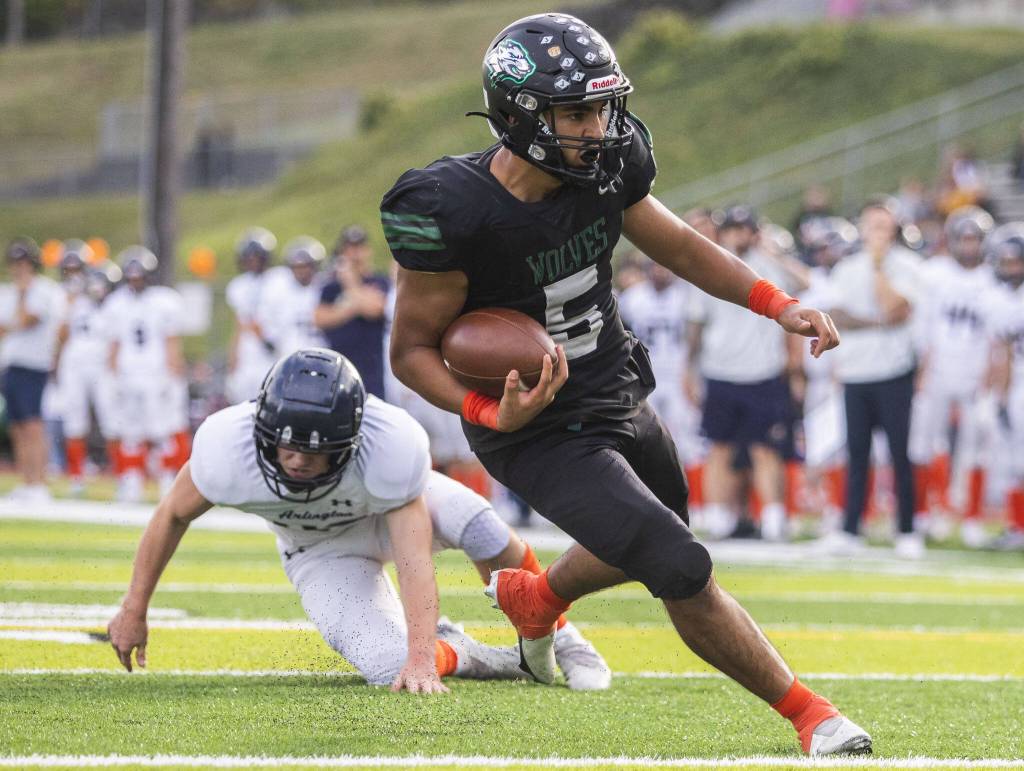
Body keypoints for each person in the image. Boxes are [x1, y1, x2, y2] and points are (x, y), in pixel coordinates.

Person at [383, 13, 867, 756]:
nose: (599, 125)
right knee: (678, 561)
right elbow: (411, 350)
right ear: (521, 115)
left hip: (613, 381)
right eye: (576, 111)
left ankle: (535, 598)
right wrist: (487, 408)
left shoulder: (608, 164)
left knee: (659, 531)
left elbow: (675, 242)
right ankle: (813, 717)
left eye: (603, 106)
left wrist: (776, 302)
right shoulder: (451, 210)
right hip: (533, 425)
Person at [106, 349, 610, 691]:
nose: (298, 460)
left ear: (350, 437)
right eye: (287, 445)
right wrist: (134, 607)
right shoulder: (224, 449)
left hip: (382, 510)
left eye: (315, 449)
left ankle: (563, 635)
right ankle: (479, 655)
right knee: (387, 667)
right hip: (319, 550)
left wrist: (419, 651)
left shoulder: (389, 446)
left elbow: (412, 556)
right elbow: (171, 515)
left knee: (478, 524)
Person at [686, 206, 798, 542]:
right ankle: (719, 517)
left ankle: (774, 518)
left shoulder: (769, 266)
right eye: (731, 229)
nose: (737, 235)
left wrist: (771, 252)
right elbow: (695, 326)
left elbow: (809, 283)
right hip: (720, 370)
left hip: (763, 370)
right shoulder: (710, 265)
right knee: (718, 448)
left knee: (766, 450)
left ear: (755, 232)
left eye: (743, 229)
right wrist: (689, 372)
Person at [823, 198, 924, 558]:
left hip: (895, 370)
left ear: (894, 230)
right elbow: (837, 315)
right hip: (856, 371)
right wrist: (878, 323)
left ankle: (908, 529)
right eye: (872, 226)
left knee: (900, 453)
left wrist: (880, 268)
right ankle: (851, 527)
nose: (877, 233)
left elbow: (896, 308)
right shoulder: (847, 268)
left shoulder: (908, 266)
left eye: (884, 226)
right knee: (857, 453)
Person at [909, 206, 999, 547]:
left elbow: (996, 332)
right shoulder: (934, 274)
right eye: (963, 238)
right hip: (939, 369)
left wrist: (991, 373)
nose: (969, 245)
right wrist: (923, 367)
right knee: (924, 443)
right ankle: (925, 513)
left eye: (975, 238)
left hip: (977, 372)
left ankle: (973, 518)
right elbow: (923, 327)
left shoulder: (992, 277)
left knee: (978, 445)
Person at [102, 246, 187, 501]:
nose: (135, 280)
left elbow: (171, 340)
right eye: (132, 276)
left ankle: (167, 480)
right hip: (128, 375)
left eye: (139, 275)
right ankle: (132, 481)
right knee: (129, 432)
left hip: (156, 374)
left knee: (162, 431)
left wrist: (173, 374)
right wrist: (112, 374)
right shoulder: (116, 303)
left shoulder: (164, 300)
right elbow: (114, 344)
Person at [0, 237, 65, 503]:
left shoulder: (44, 290)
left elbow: (28, 319)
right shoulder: (7, 291)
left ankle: (39, 482)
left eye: (24, 262)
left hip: (33, 364)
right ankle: (27, 481)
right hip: (11, 364)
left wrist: (24, 294)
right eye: (16, 263)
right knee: (16, 425)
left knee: (32, 424)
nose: (19, 268)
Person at [54, 240, 116, 495]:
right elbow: (60, 333)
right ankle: (76, 477)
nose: (73, 274)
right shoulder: (62, 297)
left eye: (76, 268)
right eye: (69, 270)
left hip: (101, 362)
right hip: (74, 363)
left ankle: (124, 477)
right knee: (74, 421)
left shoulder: (101, 287)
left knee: (112, 419)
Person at [314, 226, 390, 399]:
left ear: (368, 250)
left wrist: (351, 285)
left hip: (373, 366)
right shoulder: (331, 286)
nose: (355, 253)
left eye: (359, 247)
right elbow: (319, 318)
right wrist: (356, 306)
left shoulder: (379, 281)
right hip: (339, 364)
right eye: (350, 248)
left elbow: (376, 309)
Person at [986, 224, 1024, 550]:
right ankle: (1017, 527)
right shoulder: (999, 300)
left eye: (1017, 262)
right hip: (1019, 386)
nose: (1012, 269)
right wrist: (1002, 392)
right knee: (1016, 459)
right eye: (1008, 262)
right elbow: (1005, 350)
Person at [225, 227, 280, 403]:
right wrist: (233, 359)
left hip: (274, 350)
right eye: (248, 257)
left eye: (256, 256)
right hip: (248, 355)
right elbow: (239, 325)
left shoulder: (280, 280)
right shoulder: (239, 286)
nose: (252, 261)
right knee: (244, 405)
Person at [258, 236, 328, 360]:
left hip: (323, 355)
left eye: (306, 266)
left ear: (315, 266)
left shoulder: (325, 289)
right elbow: (267, 322)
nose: (302, 271)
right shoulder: (279, 290)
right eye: (297, 267)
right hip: (289, 357)